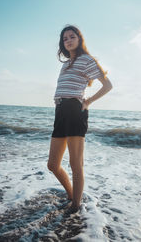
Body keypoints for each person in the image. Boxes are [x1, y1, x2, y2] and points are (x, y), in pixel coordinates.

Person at [47, 25, 112, 214]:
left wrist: (88, 102)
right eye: (65, 38)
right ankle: (71, 195)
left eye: (71, 36)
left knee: (76, 164)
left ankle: (75, 206)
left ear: (79, 39)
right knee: (52, 164)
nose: (68, 40)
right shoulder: (65, 64)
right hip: (60, 112)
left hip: (75, 111)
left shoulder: (86, 60)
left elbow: (107, 85)